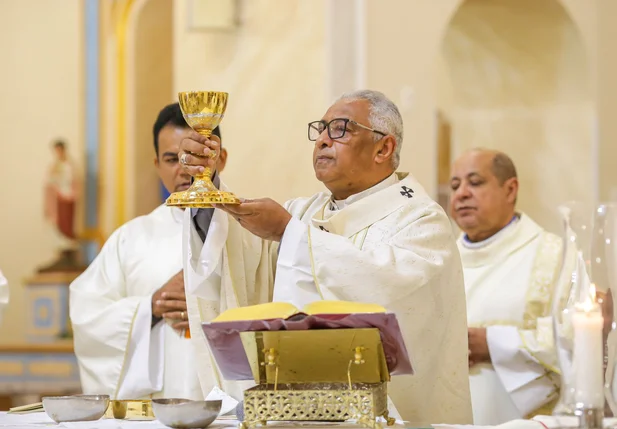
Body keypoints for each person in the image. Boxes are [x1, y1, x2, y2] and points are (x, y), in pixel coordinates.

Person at [179, 90, 472, 425]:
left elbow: (392, 294)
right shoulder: (303, 212)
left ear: (384, 148)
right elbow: (242, 271)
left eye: (340, 129)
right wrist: (208, 190)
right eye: (320, 129)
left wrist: (290, 234)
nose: (321, 141)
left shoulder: (421, 220)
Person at [69, 103, 228, 400]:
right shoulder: (130, 239)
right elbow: (88, 316)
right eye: (172, 159)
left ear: (221, 158)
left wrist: (209, 306)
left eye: (194, 156)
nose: (183, 169)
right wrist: (151, 307)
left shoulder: (248, 231)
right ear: (156, 164)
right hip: (156, 407)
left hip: (232, 400)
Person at [449, 148, 562, 425]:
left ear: (510, 189)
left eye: (474, 183)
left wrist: (492, 343)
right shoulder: (439, 261)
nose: (461, 193)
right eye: (455, 186)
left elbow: (576, 339)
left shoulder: (554, 256)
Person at [39, 140, 82, 272]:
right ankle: (63, 250)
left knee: (68, 223)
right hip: (59, 198)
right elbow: (50, 182)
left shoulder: (70, 165)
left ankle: (70, 250)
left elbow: (74, 180)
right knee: (60, 224)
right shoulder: (55, 166)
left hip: (69, 198)